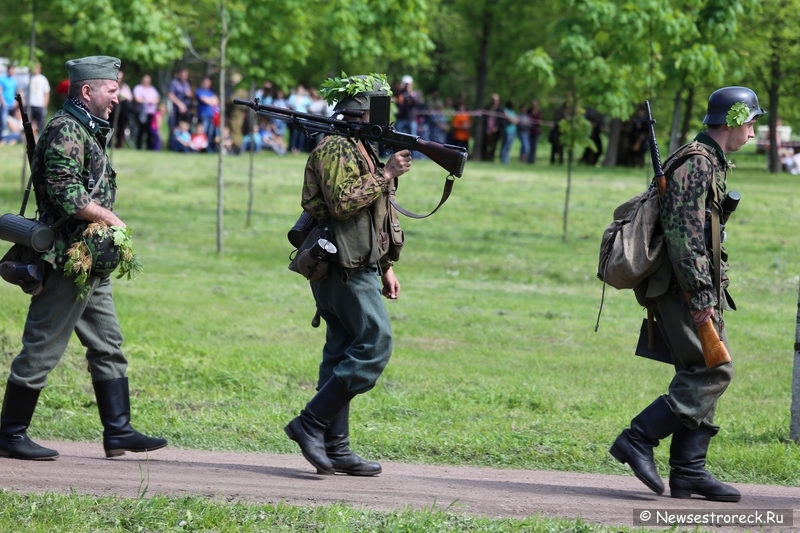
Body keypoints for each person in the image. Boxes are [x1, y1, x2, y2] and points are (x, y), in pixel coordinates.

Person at [0, 55, 168, 461]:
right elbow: (65, 192)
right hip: (65, 260)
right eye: (112, 89)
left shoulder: (87, 128)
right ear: (88, 90)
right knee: (42, 346)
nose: (117, 96)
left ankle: (118, 431)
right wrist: (109, 217)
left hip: (90, 260)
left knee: (108, 345)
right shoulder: (65, 129)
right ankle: (9, 434)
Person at [609, 86, 765, 503]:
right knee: (714, 371)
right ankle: (637, 438)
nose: (753, 132)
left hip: (694, 285)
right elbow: (685, 238)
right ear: (734, 121)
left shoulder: (708, 160)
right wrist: (701, 299)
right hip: (683, 287)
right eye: (751, 122)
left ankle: (689, 472)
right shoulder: (697, 163)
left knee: (705, 367)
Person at [285, 74, 412, 476]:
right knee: (376, 342)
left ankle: (335, 447)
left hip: (359, 263)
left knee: (340, 352)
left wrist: (386, 265)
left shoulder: (361, 147)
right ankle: (310, 424)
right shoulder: (337, 146)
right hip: (340, 266)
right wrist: (387, 173)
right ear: (363, 112)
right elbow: (342, 204)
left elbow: (377, 214)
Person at [133, 74, 160, 150]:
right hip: (141, 112)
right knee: (141, 130)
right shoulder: (138, 88)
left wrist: (146, 100)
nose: (146, 82)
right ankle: (138, 147)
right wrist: (149, 101)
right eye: (145, 81)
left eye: (147, 81)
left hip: (151, 113)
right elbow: (137, 99)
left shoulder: (152, 89)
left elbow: (157, 99)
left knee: (150, 131)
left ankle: (149, 147)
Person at [196, 77, 219, 152]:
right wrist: (211, 101)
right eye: (206, 83)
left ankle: (208, 147)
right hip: (203, 114)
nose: (208, 84)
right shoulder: (199, 91)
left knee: (210, 132)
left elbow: (216, 101)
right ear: (202, 83)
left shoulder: (210, 92)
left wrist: (210, 101)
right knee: (203, 131)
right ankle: (201, 147)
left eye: (209, 83)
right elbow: (204, 100)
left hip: (211, 115)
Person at [27, 63, 51, 135]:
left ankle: (39, 134)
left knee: (40, 121)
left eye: (36, 68)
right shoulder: (28, 78)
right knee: (29, 121)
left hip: (39, 104)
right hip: (30, 104)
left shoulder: (43, 79)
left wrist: (45, 104)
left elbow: (46, 92)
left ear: (39, 69)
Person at [0, 64, 18, 144]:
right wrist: (3, 102)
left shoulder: (14, 81)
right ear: (8, 70)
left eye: (13, 70)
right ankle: (1, 137)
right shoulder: (2, 79)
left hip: (12, 105)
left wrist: (15, 102)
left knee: (13, 122)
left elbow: (15, 92)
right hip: (5, 105)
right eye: (11, 70)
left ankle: (11, 138)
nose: (12, 71)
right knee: (4, 122)